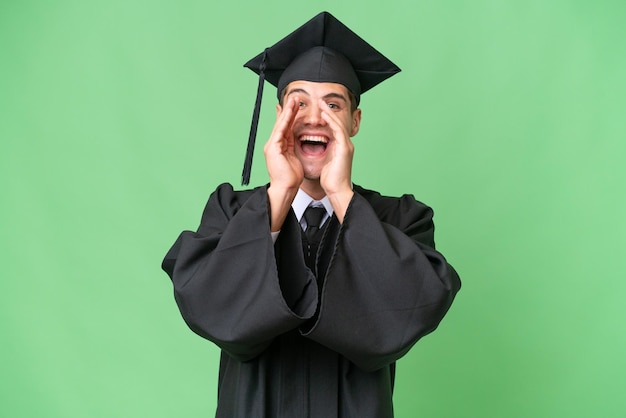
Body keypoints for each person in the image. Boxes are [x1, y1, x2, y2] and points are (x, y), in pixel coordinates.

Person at [162, 11, 461, 418]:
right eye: (298, 102)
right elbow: (214, 314)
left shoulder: (400, 219)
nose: (314, 117)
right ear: (280, 116)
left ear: (354, 121)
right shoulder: (232, 212)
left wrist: (341, 194)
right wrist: (280, 193)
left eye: (333, 104)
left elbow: (406, 317)